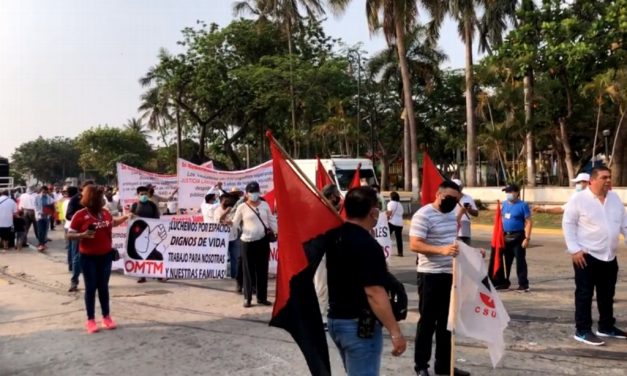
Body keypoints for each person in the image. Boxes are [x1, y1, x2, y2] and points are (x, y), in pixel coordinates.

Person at [326, 186, 406, 375]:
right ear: (373, 212)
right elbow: (374, 293)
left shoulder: (335, 235)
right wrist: (395, 332)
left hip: (337, 320)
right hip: (359, 326)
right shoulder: (368, 245)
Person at [410, 180, 470, 376]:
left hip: (450, 276)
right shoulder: (423, 215)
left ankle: (444, 366)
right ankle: (421, 366)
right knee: (427, 322)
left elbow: (452, 243)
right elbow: (415, 245)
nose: (452, 202)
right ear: (438, 194)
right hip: (430, 276)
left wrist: (471, 252)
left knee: (448, 323)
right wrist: (441, 250)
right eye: (449, 198)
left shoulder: (451, 215)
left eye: (456, 199)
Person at [562, 166, 627, 346]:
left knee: (607, 293)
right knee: (585, 294)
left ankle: (606, 327)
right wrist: (574, 249)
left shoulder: (614, 198)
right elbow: (568, 224)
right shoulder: (579, 199)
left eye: (609, 177)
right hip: (586, 255)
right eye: (604, 177)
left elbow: (624, 222)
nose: (608, 181)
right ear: (592, 180)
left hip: (609, 256)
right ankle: (582, 330)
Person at [67, 185, 131, 334]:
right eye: (100, 197)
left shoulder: (105, 213)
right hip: (88, 258)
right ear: (92, 199)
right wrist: (82, 235)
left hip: (106, 256)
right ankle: (90, 320)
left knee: (103, 287)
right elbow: (70, 234)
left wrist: (126, 217)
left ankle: (106, 317)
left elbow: (113, 223)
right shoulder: (80, 215)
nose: (103, 199)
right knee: (90, 288)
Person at [230, 181, 277, 308]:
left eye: (256, 191)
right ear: (246, 194)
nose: (254, 194)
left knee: (262, 270)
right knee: (248, 271)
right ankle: (248, 298)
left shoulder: (265, 205)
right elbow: (235, 223)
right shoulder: (242, 207)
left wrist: (279, 232)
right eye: (251, 192)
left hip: (262, 241)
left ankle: (262, 298)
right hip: (247, 242)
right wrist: (228, 224)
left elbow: (272, 221)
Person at [314, 183, 342, 330]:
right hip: (320, 252)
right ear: (331, 196)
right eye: (337, 194)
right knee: (321, 285)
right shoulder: (320, 210)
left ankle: (326, 312)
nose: (339, 197)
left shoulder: (332, 210)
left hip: (331, 252)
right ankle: (321, 317)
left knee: (328, 284)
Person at [497, 184, 532, 292]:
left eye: (510, 192)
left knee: (520, 261)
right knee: (505, 261)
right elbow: (501, 219)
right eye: (506, 192)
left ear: (517, 193)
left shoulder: (523, 205)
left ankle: (523, 284)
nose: (508, 194)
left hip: (518, 236)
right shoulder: (504, 204)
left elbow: (529, 222)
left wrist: (527, 238)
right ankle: (504, 282)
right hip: (505, 235)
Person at [131, 186, 161, 283]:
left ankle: (158, 274)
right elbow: (130, 220)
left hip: (151, 233)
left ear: (148, 194)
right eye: (141, 194)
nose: (144, 196)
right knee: (139, 254)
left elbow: (157, 218)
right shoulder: (134, 206)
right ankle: (142, 275)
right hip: (138, 234)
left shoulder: (152, 205)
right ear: (138, 195)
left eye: (145, 194)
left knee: (153, 254)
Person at [67, 183, 92, 292]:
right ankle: (74, 281)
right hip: (78, 233)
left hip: (92, 232)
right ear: (83, 188)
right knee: (77, 258)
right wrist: (81, 219)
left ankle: (94, 281)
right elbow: (68, 215)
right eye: (89, 188)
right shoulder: (75, 199)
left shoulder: (94, 199)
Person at [215, 193, 241, 284]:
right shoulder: (217, 210)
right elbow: (219, 221)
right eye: (226, 200)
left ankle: (235, 276)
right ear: (222, 201)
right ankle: (222, 275)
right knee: (223, 258)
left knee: (235, 258)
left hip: (233, 237)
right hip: (222, 239)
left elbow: (235, 221)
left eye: (228, 200)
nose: (228, 202)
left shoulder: (233, 210)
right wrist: (226, 212)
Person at [451, 179, 478, 245]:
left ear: (461, 188)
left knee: (466, 251)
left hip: (465, 229)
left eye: (458, 187)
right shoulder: (449, 199)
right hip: (452, 228)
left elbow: (476, 213)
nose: (457, 189)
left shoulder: (468, 198)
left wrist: (470, 210)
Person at [34, 186, 55, 251]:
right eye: (43, 191)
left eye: (46, 192)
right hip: (40, 216)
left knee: (45, 231)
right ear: (41, 191)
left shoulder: (49, 198)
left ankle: (42, 243)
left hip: (47, 216)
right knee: (40, 231)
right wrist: (40, 212)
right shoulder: (37, 197)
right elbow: (35, 207)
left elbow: (53, 205)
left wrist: (51, 210)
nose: (44, 193)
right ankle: (40, 244)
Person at [386, 191, 404, 257]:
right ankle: (400, 252)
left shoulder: (390, 203)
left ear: (391, 197)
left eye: (389, 196)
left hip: (392, 222)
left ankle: (385, 250)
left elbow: (389, 212)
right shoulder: (400, 204)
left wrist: (386, 218)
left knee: (386, 236)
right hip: (400, 223)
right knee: (399, 238)